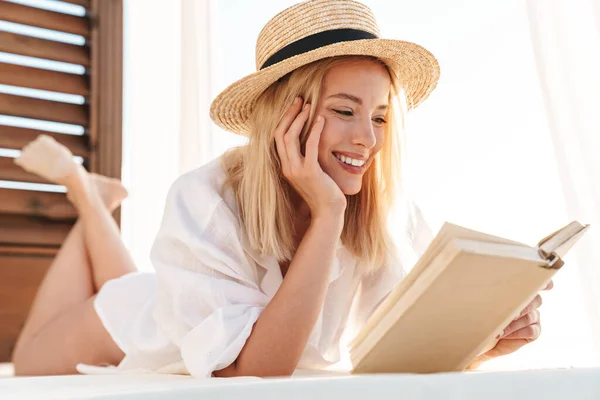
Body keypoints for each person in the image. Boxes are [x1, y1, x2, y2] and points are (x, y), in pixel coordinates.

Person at [12, 0, 548, 378]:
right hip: (138, 320)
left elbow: (393, 344)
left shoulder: (384, 210)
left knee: (157, 286)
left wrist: (483, 343)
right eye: (344, 110)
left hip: (192, 299)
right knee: (29, 360)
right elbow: (261, 370)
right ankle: (84, 193)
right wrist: (327, 215)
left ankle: (96, 200)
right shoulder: (205, 197)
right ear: (286, 117)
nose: (367, 139)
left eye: (381, 117)